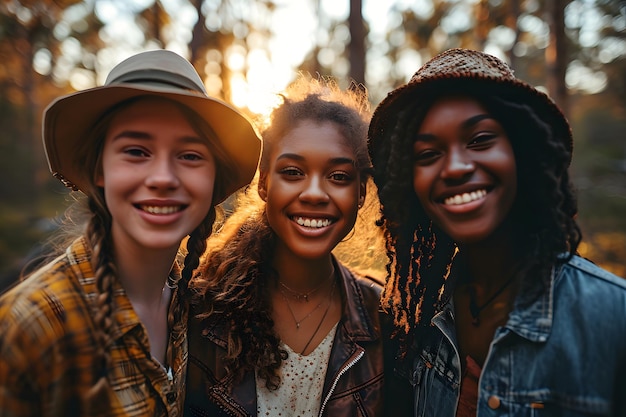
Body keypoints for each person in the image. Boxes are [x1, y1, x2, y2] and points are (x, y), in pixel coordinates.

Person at [0, 49, 261, 416]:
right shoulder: (34, 326)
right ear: (100, 170)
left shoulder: (194, 309)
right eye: (137, 151)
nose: (162, 178)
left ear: (212, 178)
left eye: (189, 156)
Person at [368, 48, 626, 416]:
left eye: (480, 140)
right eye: (427, 154)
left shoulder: (613, 318)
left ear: (521, 153)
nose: (455, 167)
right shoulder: (421, 324)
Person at [184, 76, 387, 417]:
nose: (314, 193)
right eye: (293, 172)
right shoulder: (201, 309)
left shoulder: (385, 319)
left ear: (361, 194)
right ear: (264, 184)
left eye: (338, 177)